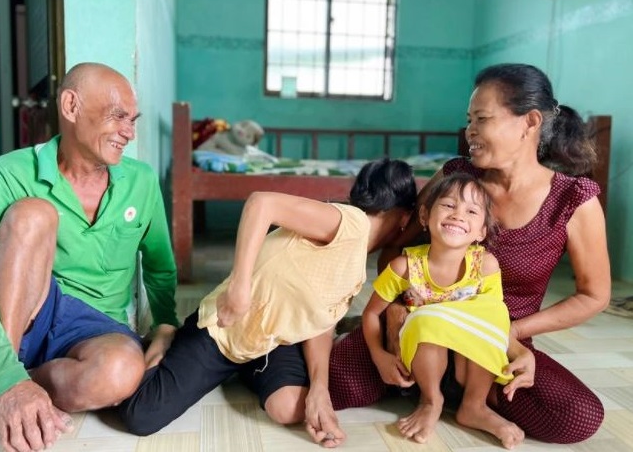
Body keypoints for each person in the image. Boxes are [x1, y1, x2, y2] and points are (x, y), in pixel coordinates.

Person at [329, 63, 611, 444]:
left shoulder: (573, 200)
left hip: (490, 340)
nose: (469, 131)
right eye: (469, 120)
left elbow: (594, 295)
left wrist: (514, 333)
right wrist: (394, 311)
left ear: (529, 122)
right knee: (333, 384)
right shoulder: (456, 177)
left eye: (482, 119)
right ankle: (428, 382)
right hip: (418, 326)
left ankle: (462, 396)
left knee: (577, 417)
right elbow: (397, 247)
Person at [0, 62, 180, 452]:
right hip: (31, 313)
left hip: (99, 330)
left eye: (133, 121)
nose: (129, 133)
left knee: (123, 372)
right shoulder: (11, 172)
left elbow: (159, 266)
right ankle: (4, 377)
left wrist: (166, 323)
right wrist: (5, 373)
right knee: (33, 214)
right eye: (118, 116)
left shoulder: (142, 180)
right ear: (70, 106)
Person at [119, 158, 418, 448]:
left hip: (273, 340)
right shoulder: (351, 222)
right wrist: (239, 285)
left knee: (290, 408)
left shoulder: (356, 267)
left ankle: (248, 369)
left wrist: (320, 390)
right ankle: (167, 335)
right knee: (141, 415)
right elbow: (261, 203)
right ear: (405, 218)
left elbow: (319, 325)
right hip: (224, 330)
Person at [363, 172, 529, 448]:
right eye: (449, 205)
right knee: (426, 319)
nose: (458, 215)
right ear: (425, 215)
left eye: (472, 211)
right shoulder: (404, 267)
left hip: (469, 360)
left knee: (491, 311)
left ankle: (474, 406)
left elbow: (496, 323)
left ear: (482, 232)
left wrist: (521, 352)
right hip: (423, 358)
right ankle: (430, 400)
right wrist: (379, 355)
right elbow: (370, 313)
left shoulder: (485, 265)